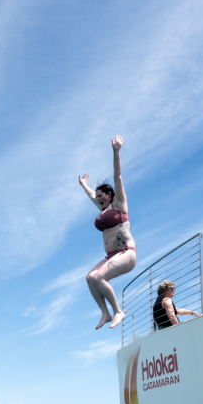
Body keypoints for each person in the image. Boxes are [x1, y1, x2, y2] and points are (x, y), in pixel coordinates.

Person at [78, 135, 137, 329]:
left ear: (109, 194)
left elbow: (117, 177)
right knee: (89, 278)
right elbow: (90, 197)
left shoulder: (119, 204)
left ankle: (118, 311)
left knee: (97, 277)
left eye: (100, 196)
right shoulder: (103, 210)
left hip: (126, 253)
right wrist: (84, 186)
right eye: (97, 198)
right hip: (112, 255)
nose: (98, 199)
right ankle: (105, 313)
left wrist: (116, 151)